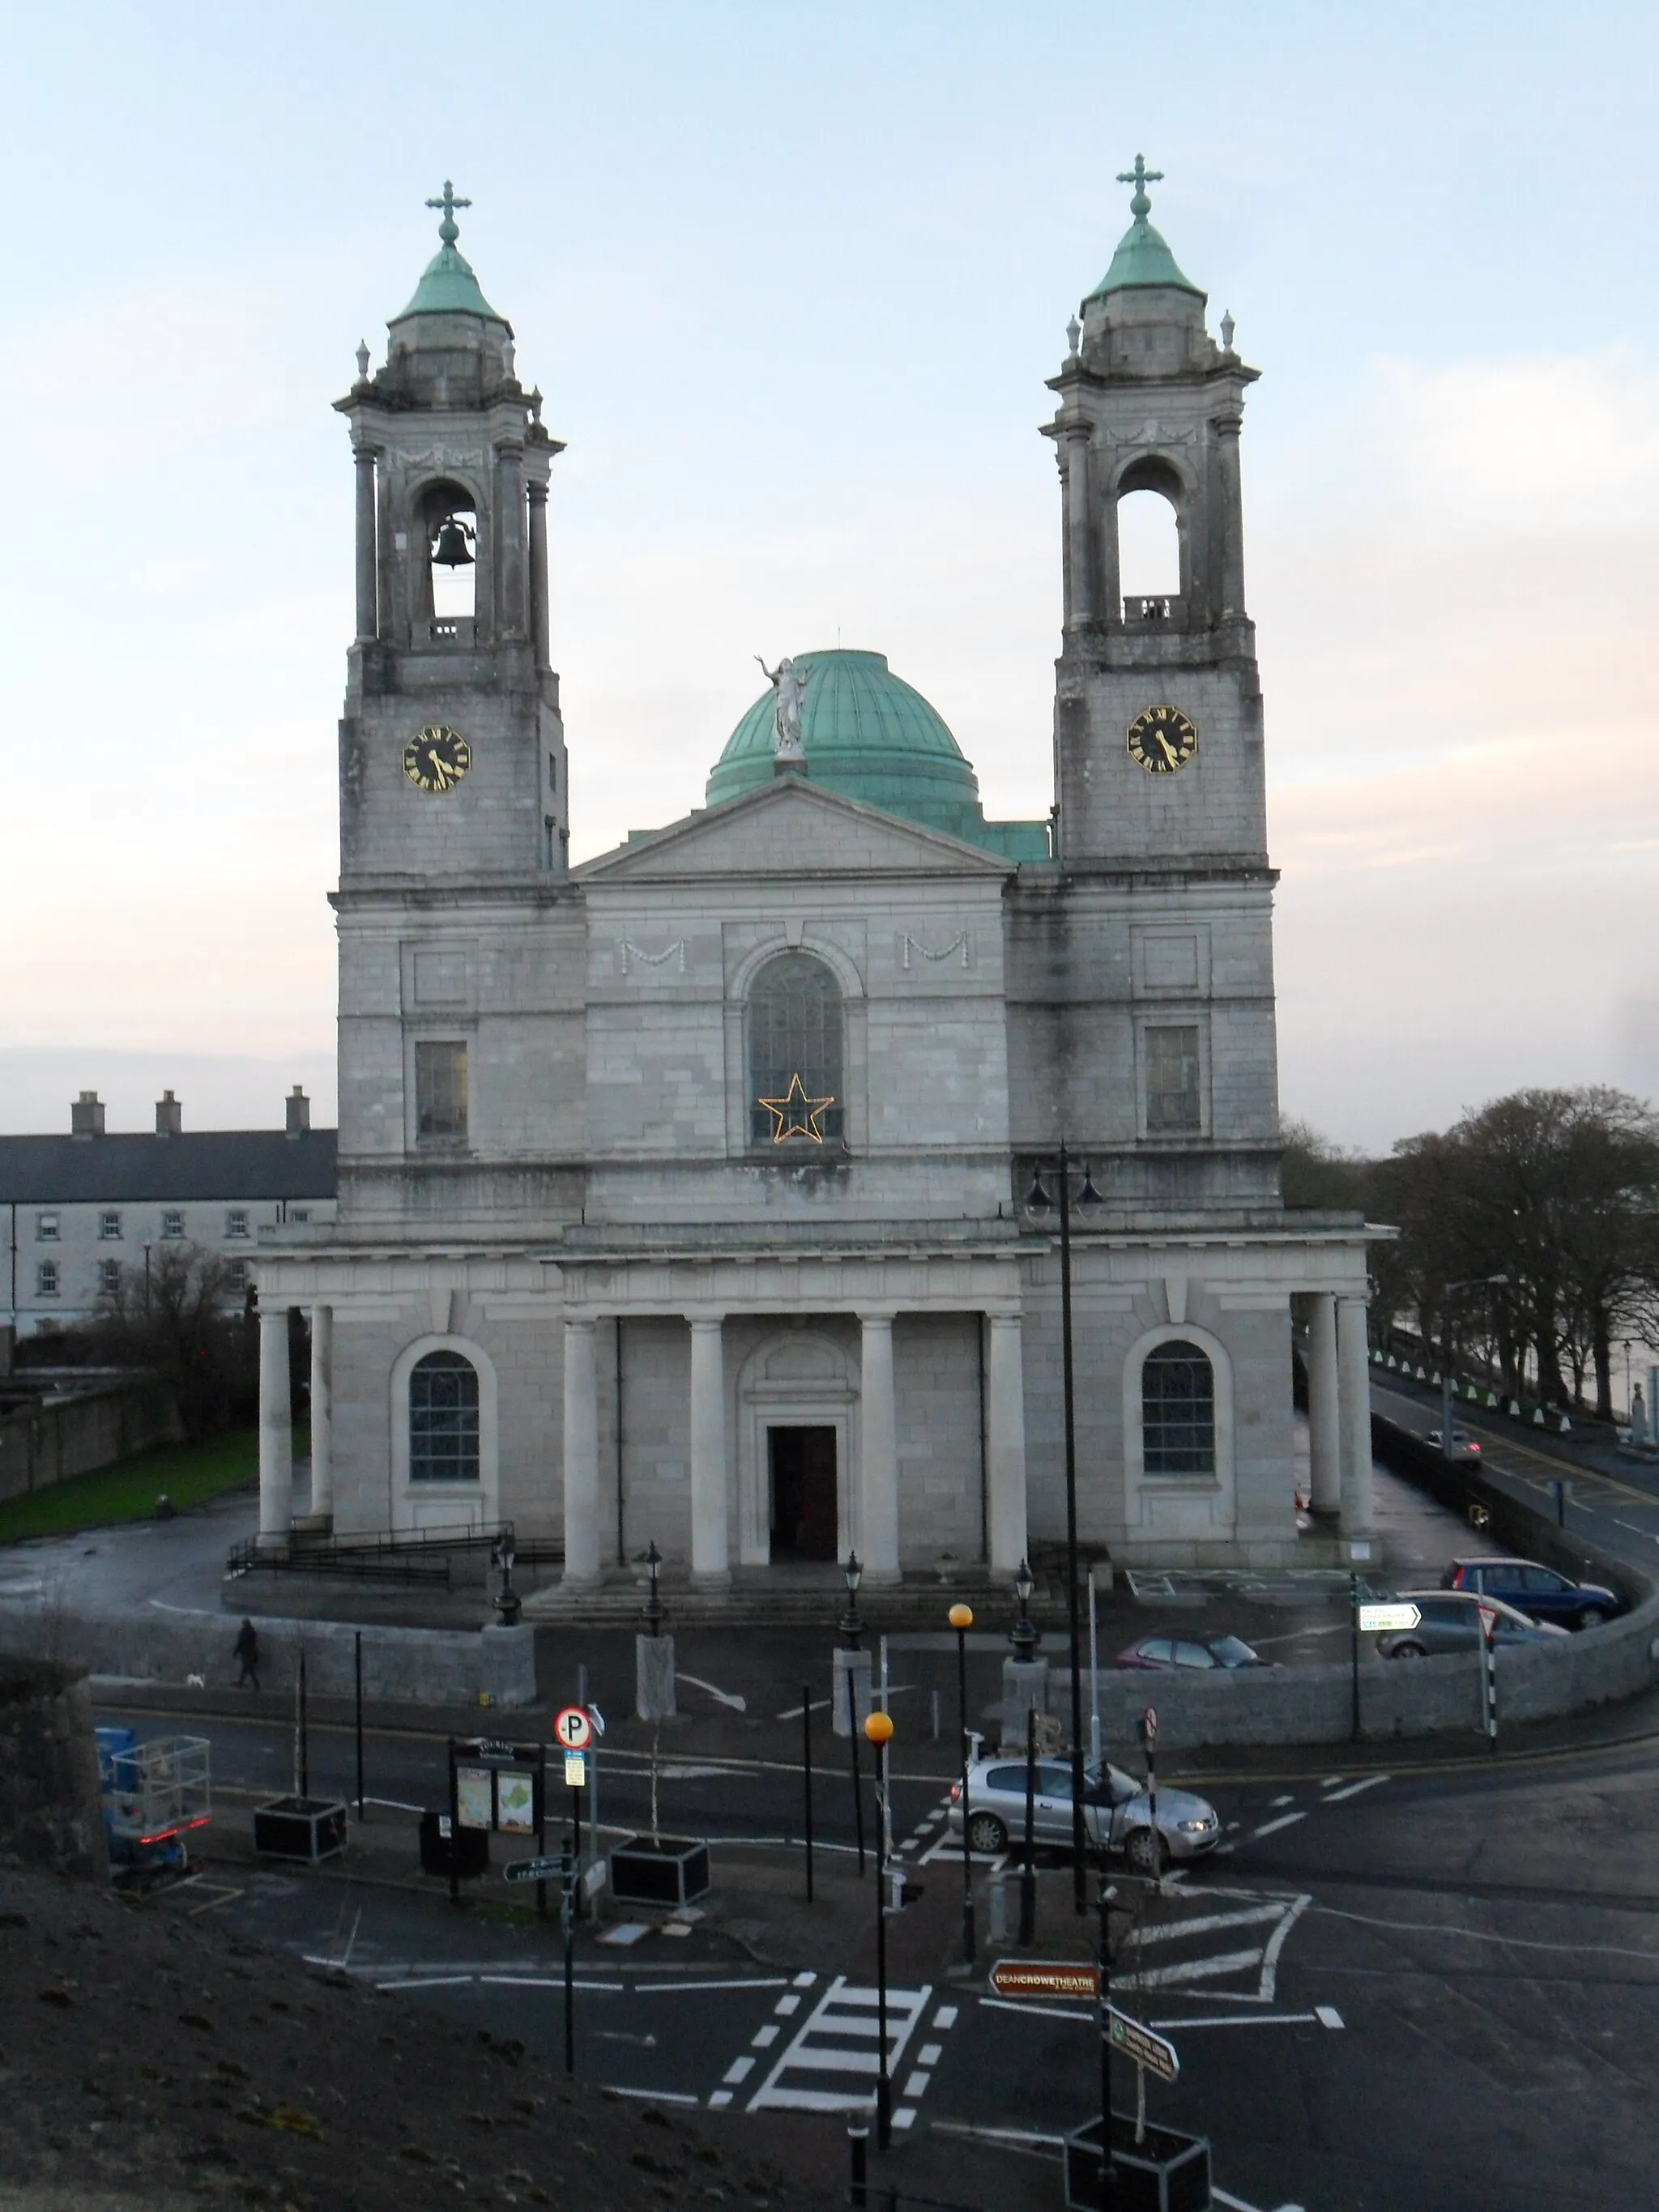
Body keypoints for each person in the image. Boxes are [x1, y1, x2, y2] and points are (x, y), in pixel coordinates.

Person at [233, 1617, 260, 1691]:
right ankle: (241, 1683)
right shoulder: (252, 1631)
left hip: (246, 1653)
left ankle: (255, 1685)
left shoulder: (244, 1632)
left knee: (249, 1669)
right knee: (247, 1668)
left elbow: (240, 1643)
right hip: (251, 1653)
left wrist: (235, 1652)